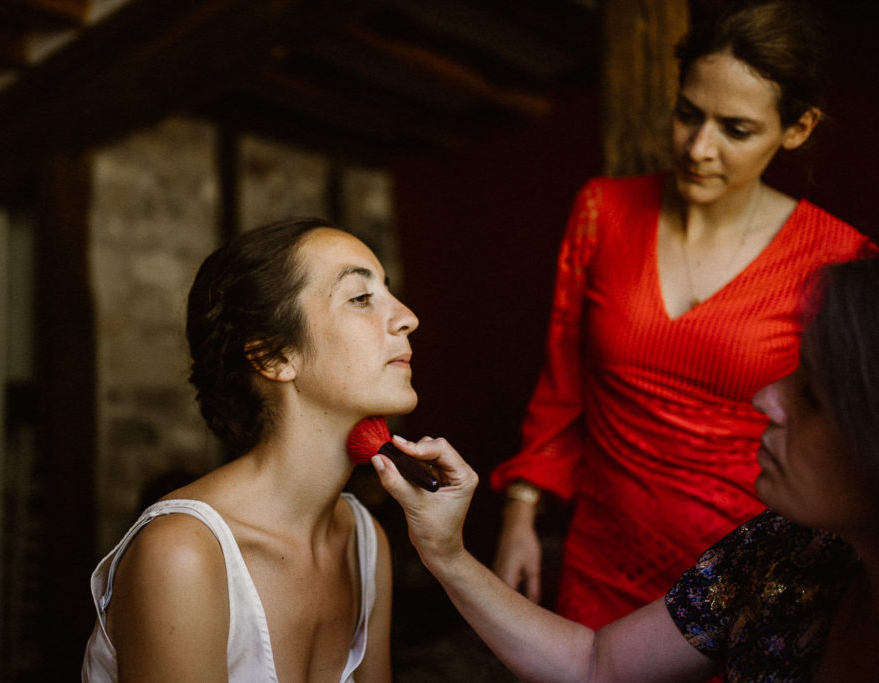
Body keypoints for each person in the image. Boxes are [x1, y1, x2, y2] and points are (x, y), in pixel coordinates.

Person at [490, 0, 876, 628]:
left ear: (798, 128)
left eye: (736, 129)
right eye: (688, 114)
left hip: (751, 579)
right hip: (601, 564)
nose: (699, 147)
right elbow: (562, 381)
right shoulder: (604, 211)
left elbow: (851, 435)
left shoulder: (840, 260)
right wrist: (520, 515)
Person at [375, 256, 879, 681]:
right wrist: (446, 552)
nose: (764, 397)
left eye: (812, 397)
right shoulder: (789, 548)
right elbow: (597, 665)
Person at [81, 217, 420, 682]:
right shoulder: (182, 554)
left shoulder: (365, 541)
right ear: (274, 357)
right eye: (361, 298)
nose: (407, 317)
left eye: (386, 291)